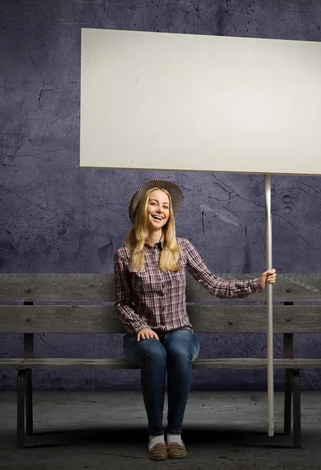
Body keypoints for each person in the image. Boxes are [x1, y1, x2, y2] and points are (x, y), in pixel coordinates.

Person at [114, 179, 277, 460]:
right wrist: (140, 326)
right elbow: (121, 303)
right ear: (143, 209)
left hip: (180, 331)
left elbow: (214, 285)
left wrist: (256, 284)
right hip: (142, 336)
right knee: (154, 354)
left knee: (177, 351)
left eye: (165, 206)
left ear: (170, 215)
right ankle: (155, 435)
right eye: (154, 203)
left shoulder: (183, 248)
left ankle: (174, 434)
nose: (160, 210)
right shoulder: (125, 255)